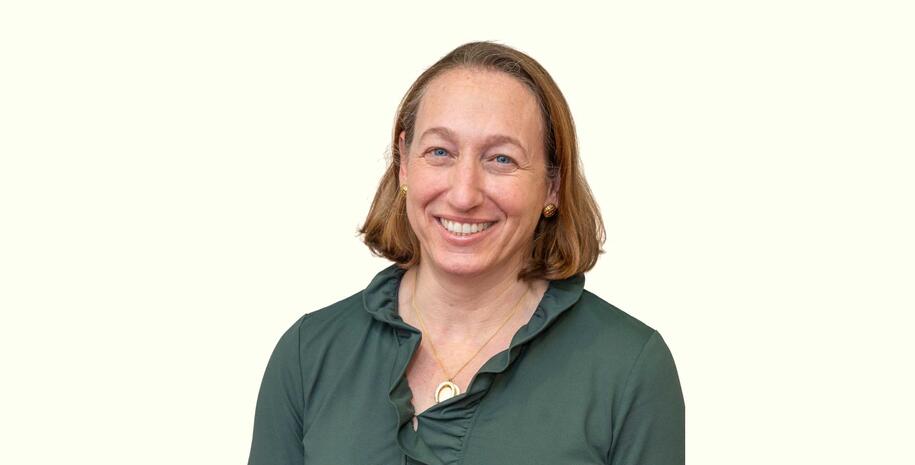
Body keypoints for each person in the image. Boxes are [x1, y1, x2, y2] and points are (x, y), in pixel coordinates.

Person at [247, 41, 685, 465]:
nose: (463, 194)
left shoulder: (628, 368)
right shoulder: (310, 354)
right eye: (440, 152)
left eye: (501, 159)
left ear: (552, 184)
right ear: (404, 163)